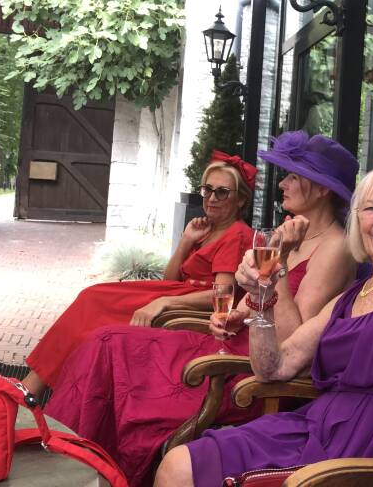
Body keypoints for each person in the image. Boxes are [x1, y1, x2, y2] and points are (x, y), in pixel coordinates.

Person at [43, 132, 360, 487]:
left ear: (322, 189)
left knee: (114, 350)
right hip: (229, 343)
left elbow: (289, 339)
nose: (282, 184)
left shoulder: (336, 247)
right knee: (106, 342)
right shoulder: (288, 234)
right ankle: (59, 463)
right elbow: (250, 303)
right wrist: (232, 316)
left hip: (251, 372)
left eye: (293, 176)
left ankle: (70, 468)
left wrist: (280, 261)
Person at [154, 141, 373, 487]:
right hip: (316, 427)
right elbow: (273, 367)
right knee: (179, 466)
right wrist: (263, 295)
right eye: (370, 209)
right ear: (358, 221)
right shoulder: (355, 294)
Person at [23, 151, 257, 397]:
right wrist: (186, 241)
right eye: (207, 190)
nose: (212, 198)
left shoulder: (236, 234)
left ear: (241, 200)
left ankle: (35, 390)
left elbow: (222, 296)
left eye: (222, 192)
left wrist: (163, 302)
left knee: (92, 314)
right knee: (91, 298)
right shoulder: (209, 229)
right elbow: (170, 280)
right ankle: (35, 387)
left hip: (185, 308)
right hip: (174, 294)